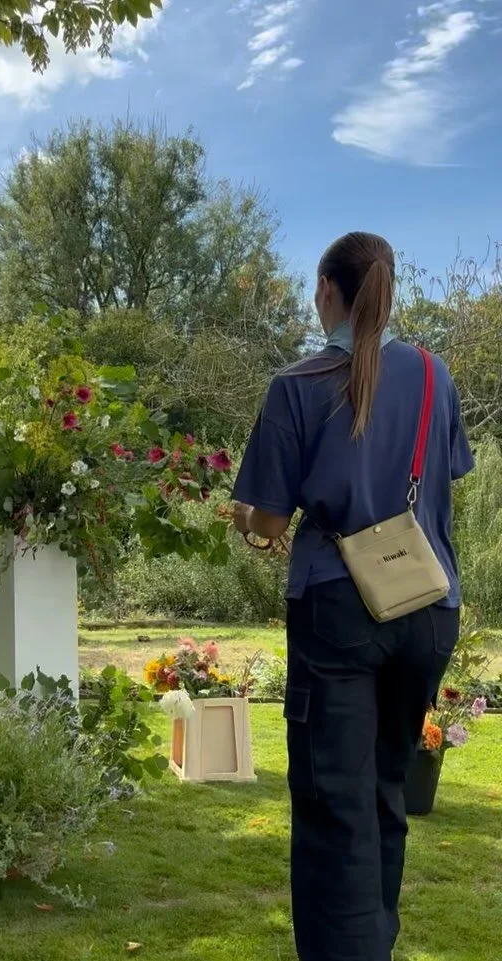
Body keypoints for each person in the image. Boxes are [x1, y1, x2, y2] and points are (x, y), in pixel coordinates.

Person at [231, 231, 474, 961]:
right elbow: (439, 481)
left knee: (333, 807)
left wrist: (245, 519)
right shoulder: (436, 376)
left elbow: (270, 518)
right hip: (428, 608)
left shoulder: (298, 385)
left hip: (338, 608)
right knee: (382, 793)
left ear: (329, 290)